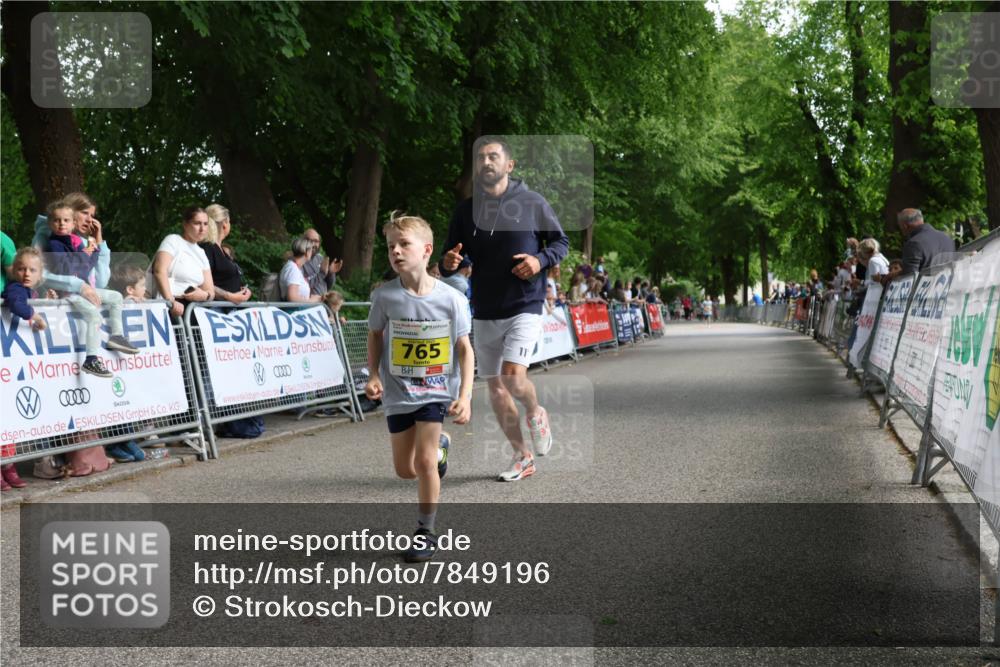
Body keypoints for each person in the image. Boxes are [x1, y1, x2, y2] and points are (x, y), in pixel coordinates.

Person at [440, 137, 569, 482]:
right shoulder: (465, 211)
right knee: (495, 386)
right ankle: (522, 455)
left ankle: (535, 410)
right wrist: (450, 261)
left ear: (509, 165)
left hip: (524, 303)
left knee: (513, 377)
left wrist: (539, 260)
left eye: (493, 156)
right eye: (480, 156)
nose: (486, 161)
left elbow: (560, 242)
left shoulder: (531, 201)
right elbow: (452, 255)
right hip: (483, 306)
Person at [365, 213, 473, 562]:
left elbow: (464, 348)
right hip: (398, 393)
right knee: (405, 470)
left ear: (427, 250)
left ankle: (426, 532)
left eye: (404, 244)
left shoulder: (452, 298)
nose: (395, 251)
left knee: (425, 463)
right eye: (390, 246)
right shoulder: (385, 297)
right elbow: (376, 335)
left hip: (435, 391)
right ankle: (441, 448)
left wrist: (465, 395)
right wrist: (373, 375)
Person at [45, 201, 139, 376]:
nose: (61, 224)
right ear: (50, 223)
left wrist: (94, 249)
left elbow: (86, 266)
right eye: (57, 220)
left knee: (117, 297)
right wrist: (84, 254)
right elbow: (65, 267)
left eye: (66, 220)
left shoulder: (74, 240)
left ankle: (116, 336)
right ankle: (91, 359)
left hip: (84, 287)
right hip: (69, 292)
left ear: (72, 224)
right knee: (94, 317)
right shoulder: (54, 243)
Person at [882, 208, 955, 283]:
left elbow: (909, 277)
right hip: (948, 288)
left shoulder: (913, 243)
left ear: (904, 226)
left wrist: (889, 278)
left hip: (926, 291)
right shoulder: (947, 238)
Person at [202, 204, 251, 305]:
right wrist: (229, 296)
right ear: (225, 224)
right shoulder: (208, 248)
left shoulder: (221, 250)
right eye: (229, 222)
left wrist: (244, 291)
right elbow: (203, 283)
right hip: (216, 310)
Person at [279, 237, 323, 303]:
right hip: (294, 311)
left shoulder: (295, 268)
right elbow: (292, 298)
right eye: (311, 250)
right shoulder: (292, 269)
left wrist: (313, 298)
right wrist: (313, 300)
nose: (312, 253)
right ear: (307, 252)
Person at [301, 228, 342, 297]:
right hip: (308, 304)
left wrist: (330, 273)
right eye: (310, 240)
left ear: (319, 243)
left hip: (323, 302)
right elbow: (301, 287)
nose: (313, 244)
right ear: (302, 241)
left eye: (316, 241)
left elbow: (328, 286)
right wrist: (321, 274)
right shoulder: (298, 261)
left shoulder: (320, 258)